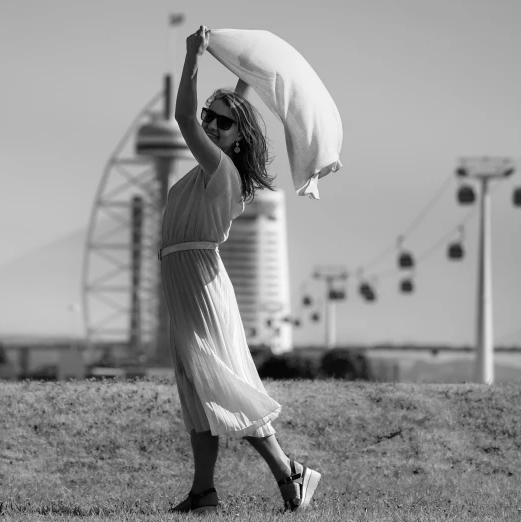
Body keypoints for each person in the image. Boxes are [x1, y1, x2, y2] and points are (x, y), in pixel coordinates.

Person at [161, 26, 321, 514]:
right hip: (187, 281)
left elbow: (182, 115)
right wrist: (243, 68)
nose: (209, 123)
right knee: (197, 391)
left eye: (221, 123)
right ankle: (204, 493)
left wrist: (192, 56)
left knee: (222, 386)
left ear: (236, 140)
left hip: (202, 285)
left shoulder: (220, 171)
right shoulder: (214, 165)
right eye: (210, 116)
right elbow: (227, 106)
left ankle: (291, 472)